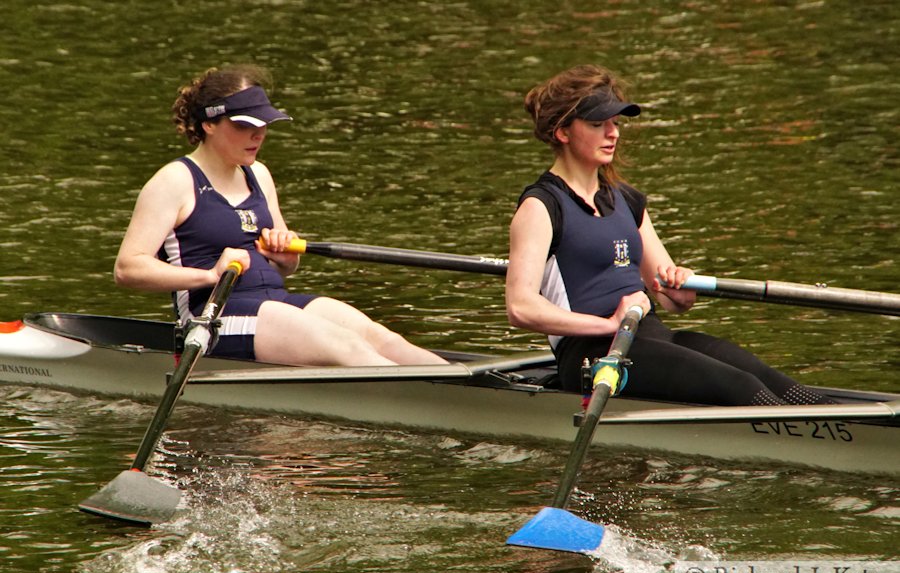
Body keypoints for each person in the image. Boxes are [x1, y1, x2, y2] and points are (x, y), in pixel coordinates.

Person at [505, 64, 831, 406]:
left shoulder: (627, 200)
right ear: (563, 132)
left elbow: (670, 297)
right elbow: (521, 307)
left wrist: (680, 286)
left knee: (779, 384)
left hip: (652, 337)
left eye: (616, 123)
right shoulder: (540, 207)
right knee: (741, 387)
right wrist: (610, 324)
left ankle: (846, 427)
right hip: (595, 355)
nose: (613, 133)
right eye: (598, 124)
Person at [115, 64, 445, 367]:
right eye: (244, 125)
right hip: (212, 317)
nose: (258, 135)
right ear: (209, 124)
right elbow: (128, 268)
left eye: (263, 124)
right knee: (346, 345)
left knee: (382, 339)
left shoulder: (258, 174)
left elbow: (286, 266)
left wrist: (284, 256)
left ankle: (475, 391)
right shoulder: (175, 180)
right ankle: (436, 406)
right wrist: (209, 274)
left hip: (275, 300)